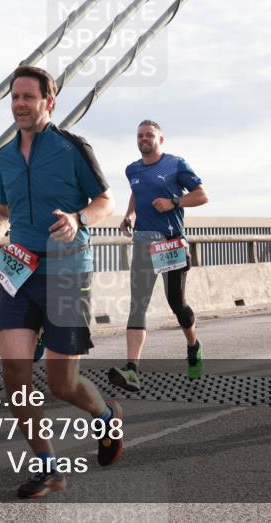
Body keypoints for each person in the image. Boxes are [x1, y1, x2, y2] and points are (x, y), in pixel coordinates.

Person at [0, 65, 123, 498]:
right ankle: (48, 467)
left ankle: (105, 416)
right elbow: (4, 211)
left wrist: (79, 218)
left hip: (67, 271)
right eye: (14, 97)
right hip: (19, 271)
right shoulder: (6, 157)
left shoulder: (71, 148)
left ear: (49, 102)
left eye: (29, 97)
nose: (20, 105)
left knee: (61, 383)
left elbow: (106, 200)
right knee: (15, 373)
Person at [108, 120, 208, 393]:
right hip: (142, 242)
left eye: (149, 135)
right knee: (137, 305)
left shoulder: (176, 164)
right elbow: (137, 192)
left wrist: (174, 202)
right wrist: (129, 215)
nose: (143, 138)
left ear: (160, 140)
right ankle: (132, 369)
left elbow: (201, 195)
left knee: (176, 302)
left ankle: (193, 345)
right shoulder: (132, 169)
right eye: (140, 135)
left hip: (171, 243)